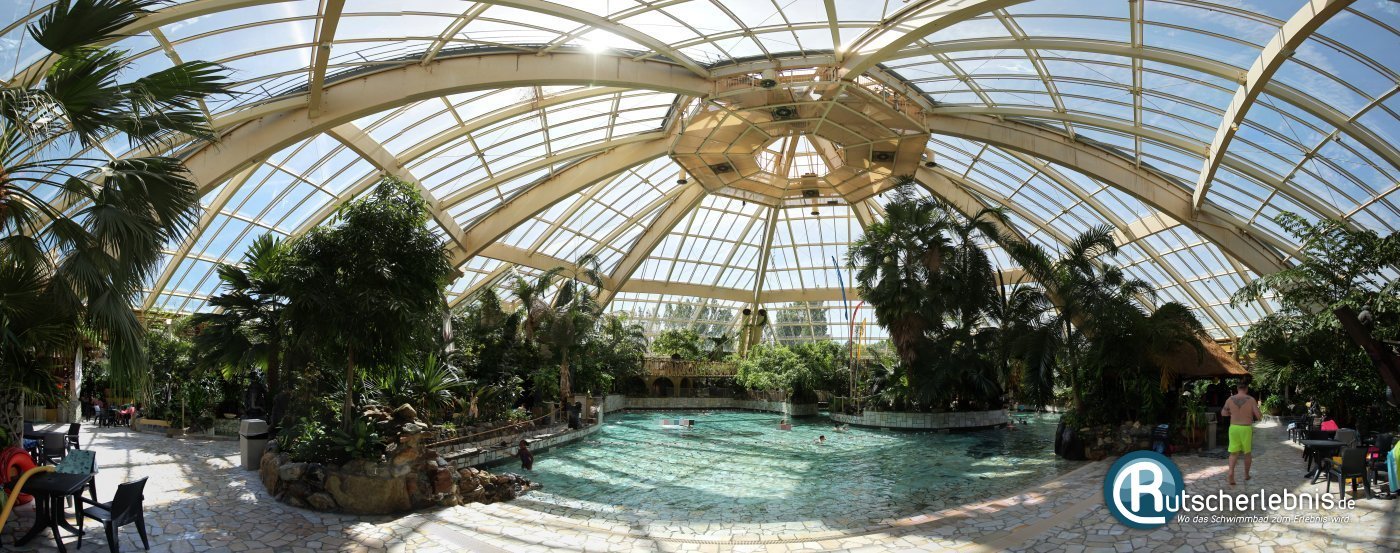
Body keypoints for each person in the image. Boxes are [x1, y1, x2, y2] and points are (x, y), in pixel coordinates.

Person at [1220, 380, 1262, 485]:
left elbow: (1223, 413)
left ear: (1237, 388)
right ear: (1246, 389)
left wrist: (1232, 413)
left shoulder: (1230, 399)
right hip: (1245, 428)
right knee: (1247, 453)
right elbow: (1258, 416)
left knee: (1233, 453)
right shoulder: (1251, 399)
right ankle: (1246, 475)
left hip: (1233, 428)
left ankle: (1231, 473)